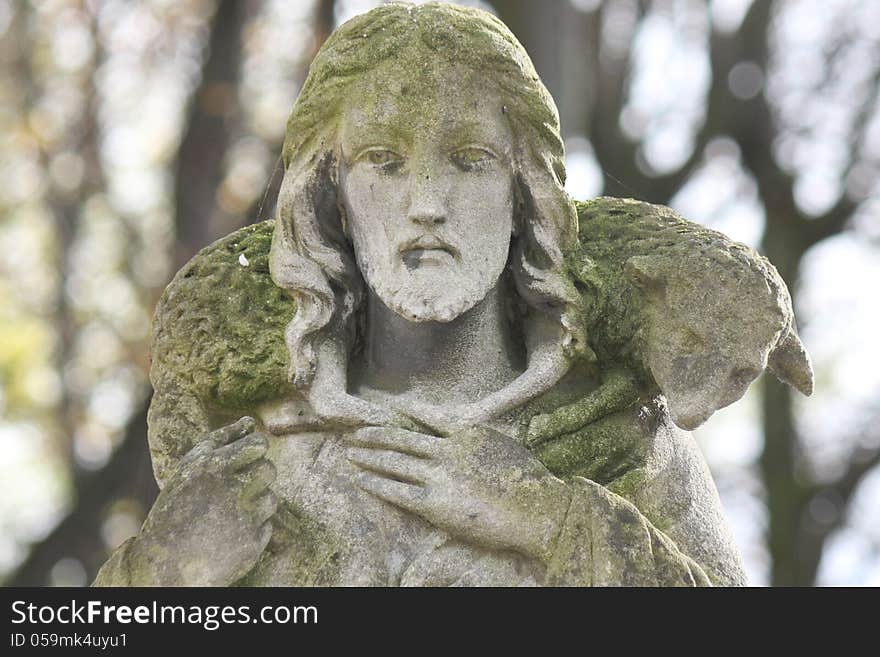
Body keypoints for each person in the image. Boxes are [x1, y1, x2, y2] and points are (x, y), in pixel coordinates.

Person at [94, 2, 747, 587]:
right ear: (333, 198)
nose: (427, 204)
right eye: (383, 160)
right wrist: (166, 570)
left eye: (470, 158)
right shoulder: (254, 456)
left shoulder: (624, 439)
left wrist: (550, 522)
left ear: (524, 194)